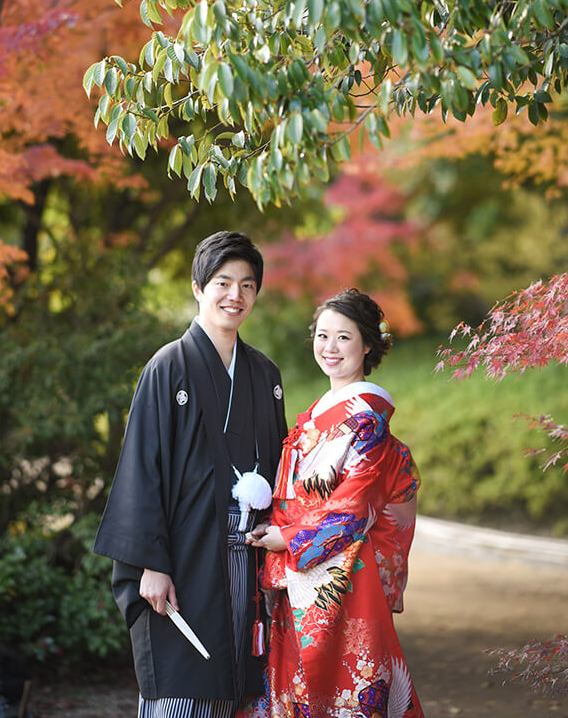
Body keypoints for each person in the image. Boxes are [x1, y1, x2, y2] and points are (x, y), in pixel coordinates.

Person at [94, 231, 287, 717]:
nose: (235, 295)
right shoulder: (168, 367)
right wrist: (150, 563)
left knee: (239, 684)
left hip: (248, 556)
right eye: (223, 282)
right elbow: (143, 468)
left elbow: (285, 467)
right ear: (199, 287)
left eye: (247, 285)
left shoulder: (265, 375)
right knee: (184, 686)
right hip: (184, 556)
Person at [246, 288, 423, 718]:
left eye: (344, 337)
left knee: (343, 685)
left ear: (368, 344)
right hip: (303, 568)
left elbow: (354, 507)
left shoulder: (366, 416)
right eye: (322, 335)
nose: (330, 348)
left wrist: (287, 536)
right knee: (300, 683)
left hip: (344, 575)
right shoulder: (321, 411)